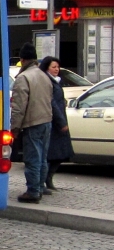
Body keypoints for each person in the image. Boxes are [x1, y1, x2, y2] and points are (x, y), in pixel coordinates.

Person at [10, 43, 54, 203]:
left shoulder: (23, 78)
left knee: (32, 158)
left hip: (32, 122)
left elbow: (19, 106)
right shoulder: (44, 75)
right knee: (42, 157)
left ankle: (33, 191)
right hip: (46, 121)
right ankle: (41, 187)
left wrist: (14, 127)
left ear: (22, 60)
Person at [39, 56, 74, 191]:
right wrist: (61, 122)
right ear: (47, 67)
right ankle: (43, 181)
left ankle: (49, 179)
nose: (56, 69)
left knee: (62, 153)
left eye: (58, 67)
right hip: (53, 122)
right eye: (53, 67)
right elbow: (52, 103)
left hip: (59, 121)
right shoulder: (48, 81)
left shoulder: (56, 81)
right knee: (51, 154)